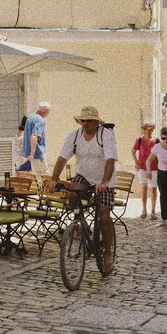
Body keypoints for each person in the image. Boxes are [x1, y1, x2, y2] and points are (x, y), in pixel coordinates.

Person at [47, 106, 118, 271]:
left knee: (104, 215)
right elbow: (62, 157)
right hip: (84, 175)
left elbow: (110, 159)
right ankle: (81, 223)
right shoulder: (74, 136)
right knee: (72, 191)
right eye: (83, 120)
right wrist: (54, 179)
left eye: (90, 121)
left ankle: (108, 252)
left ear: (96, 122)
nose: (86, 123)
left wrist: (105, 181)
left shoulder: (105, 135)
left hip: (103, 179)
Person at [131, 121, 158, 219]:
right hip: (142, 167)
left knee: (154, 189)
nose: (151, 131)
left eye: (152, 129)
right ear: (144, 129)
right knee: (144, 188)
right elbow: (133, 152)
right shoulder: (139, 140)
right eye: (149, 129)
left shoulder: (156, 140)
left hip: (154, 167)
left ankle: (153, 211)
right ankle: (144, 210)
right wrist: (136, 162)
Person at [20, 102, 50, 181]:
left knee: (37, 177)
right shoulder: (40, 120)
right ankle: (44, 193)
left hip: (29, 154)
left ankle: (40, 192)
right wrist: (32, 153)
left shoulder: (30, 117)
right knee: (45, 177)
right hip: (37, 154)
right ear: (45, 111)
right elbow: (34, 135)